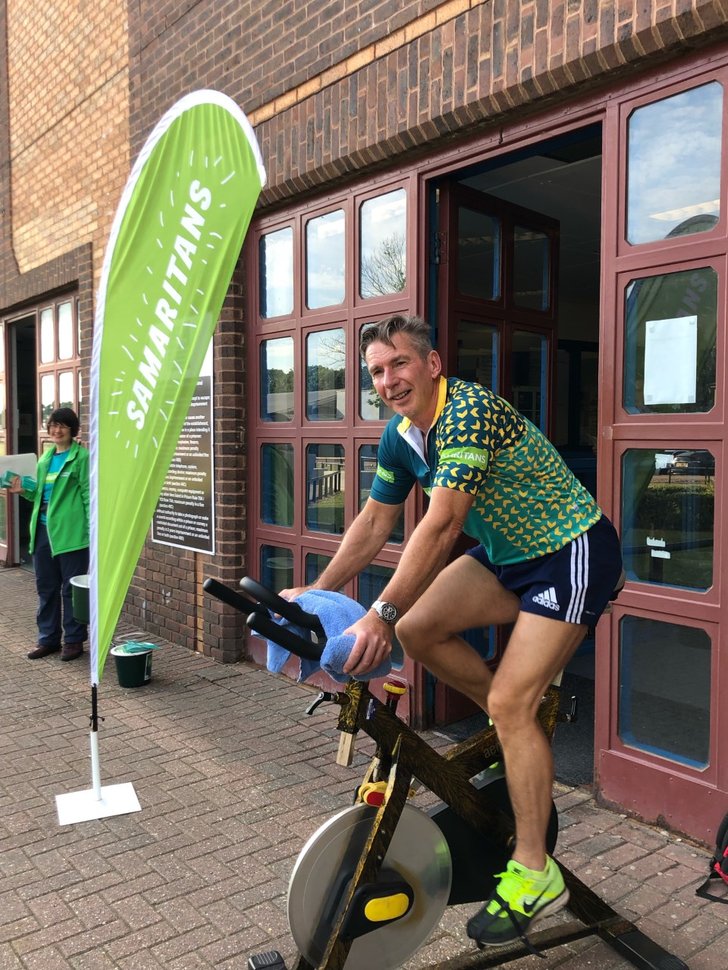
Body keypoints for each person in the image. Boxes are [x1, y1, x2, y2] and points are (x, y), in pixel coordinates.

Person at [282, 314, 623, 950]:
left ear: (433, 364)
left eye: (400, 364)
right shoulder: (401, 437)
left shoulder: (467, 411)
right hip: (509, 558)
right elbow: (375, 522)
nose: (389, 380)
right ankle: (517, 719)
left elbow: (440, 527)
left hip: (571, 549)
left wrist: (377, 611)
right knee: (420, 629)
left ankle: (534, 869)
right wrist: (319, 592)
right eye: (377, 372)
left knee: (498, 695)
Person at [7, 408, 90, 662]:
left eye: (63, 426)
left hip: (71, 535)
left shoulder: (81, 458)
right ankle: (48, 639)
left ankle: (74, 641)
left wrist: (92, 531)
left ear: (72, 430)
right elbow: (39, 495)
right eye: (53, 425)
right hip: (43, 532)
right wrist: (22, 490)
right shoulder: (44, 459)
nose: (57, 430)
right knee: (46, 588)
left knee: (71, 590)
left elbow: (89, 495)